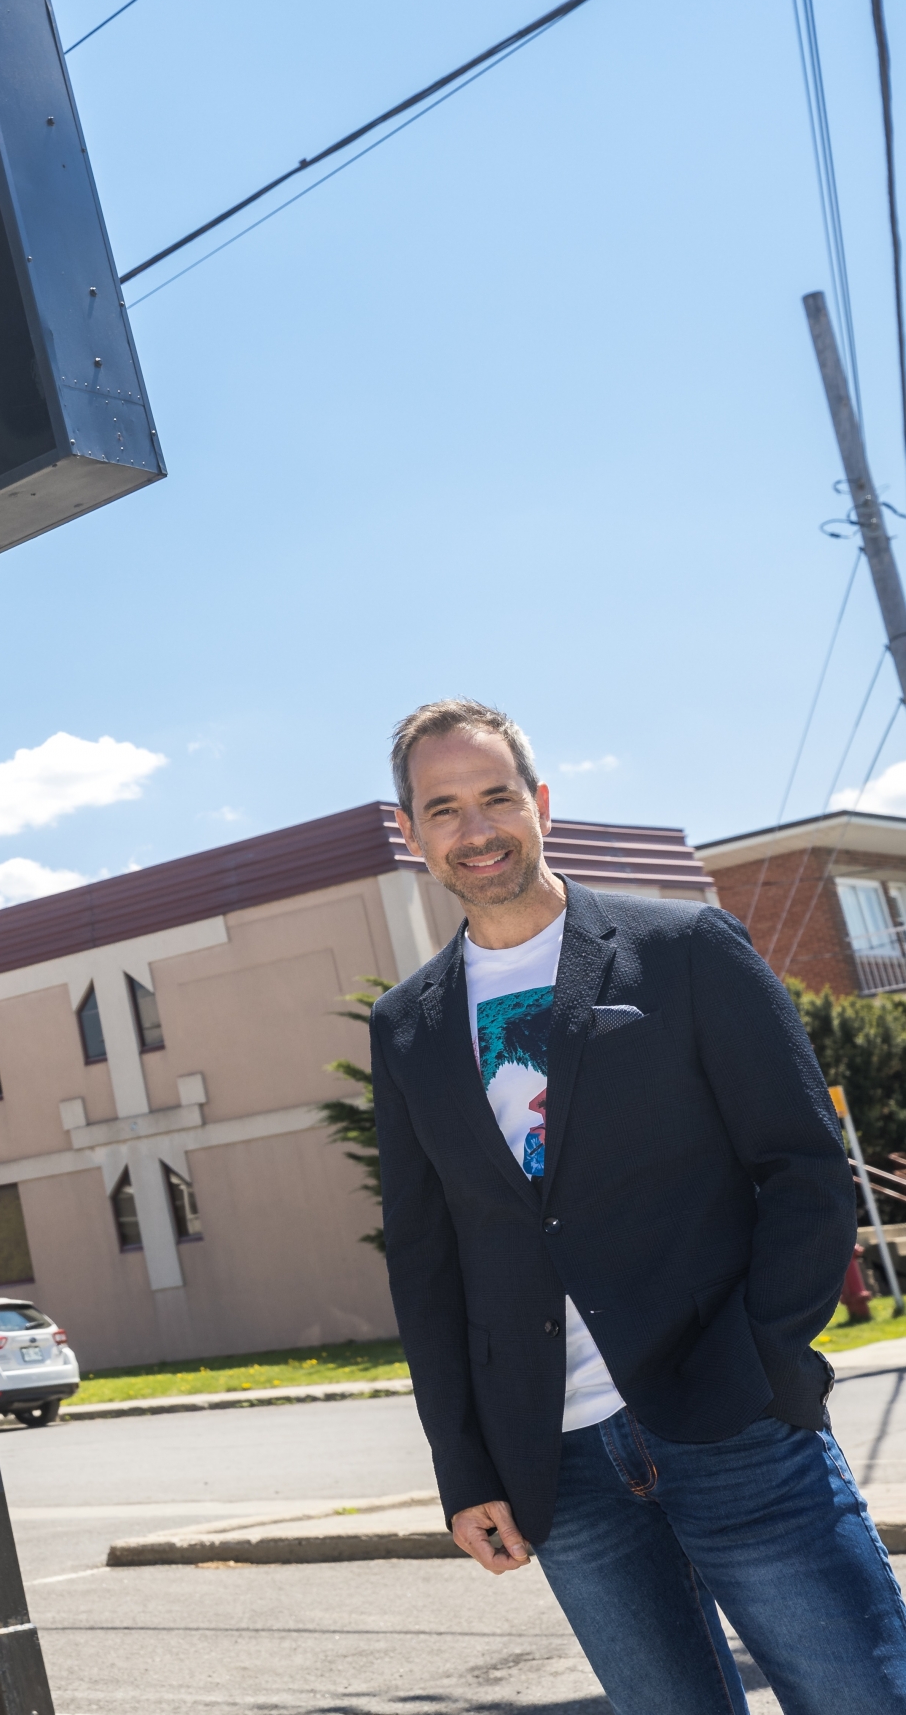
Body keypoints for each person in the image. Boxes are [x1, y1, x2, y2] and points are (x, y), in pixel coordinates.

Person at [373, 697, 906, 1714]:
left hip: (733, 1424)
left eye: (494, 798)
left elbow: (800, 1170)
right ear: (411, 833)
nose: (474, 830)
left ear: (538, 803)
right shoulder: (405, 1027)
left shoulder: (687, 948)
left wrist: (758, 1355)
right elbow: (424, 1257)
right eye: (442, 809)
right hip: (557, 1467)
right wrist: (462, 1462)